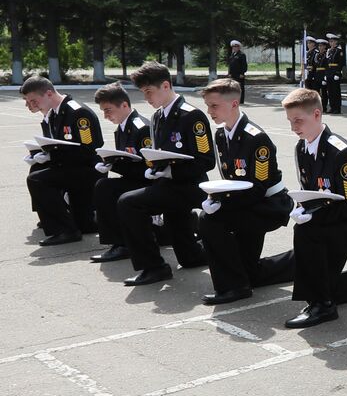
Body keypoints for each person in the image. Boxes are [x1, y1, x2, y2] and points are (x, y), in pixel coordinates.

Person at [282, 88, 347, 328]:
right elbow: (310, 190)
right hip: (331, 219)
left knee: (307, 234)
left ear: (317, 114)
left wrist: (312, 217)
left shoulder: (341, 152)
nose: (293, 127)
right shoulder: (303, 147)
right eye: (290, 121)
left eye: (298, 120)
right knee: (326, 277)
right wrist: (303, 208)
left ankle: (322, 306)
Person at [195, 79, 296, 305]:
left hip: (268, 205)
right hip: (246, 203)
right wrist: (217, 197)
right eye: (208, 105)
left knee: (209, 221)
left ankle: (233, 287)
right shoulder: (222, 135)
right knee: (250, 272)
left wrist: (222, 204)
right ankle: (301, 261)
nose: (209, 111)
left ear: (233, 103)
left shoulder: (256, 138)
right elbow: (231, 180)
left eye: (214, 105)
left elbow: (258, 189)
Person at [116, 62, 214, 285]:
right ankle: (207, 252)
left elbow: (206, 161)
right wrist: (156, 168)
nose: (146, 98)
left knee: (128, 203)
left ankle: (154, 267)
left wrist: (171, 170)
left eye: (149, 92)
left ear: (166, 86)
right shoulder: (158, 117)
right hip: (168, 185)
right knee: (189, 258)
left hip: (189, 186)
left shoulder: (192, 116)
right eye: (143, 93)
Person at [21, 76, 103, 245]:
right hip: (70, 167)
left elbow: (88, 149)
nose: (32, 105)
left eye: (34, 101)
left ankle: (66, 230)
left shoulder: (78, 113)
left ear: (49, 94)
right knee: (36, 169)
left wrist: (52, 156)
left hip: (86, 170)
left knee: (37, 179)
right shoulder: (52, 114)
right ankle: (53, 219)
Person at [89, 83, 153, 263]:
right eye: (103, 111)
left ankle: (122, 244)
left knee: (106, 189)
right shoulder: (123, 127)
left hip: (147, 181)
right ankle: (118, 241)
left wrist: (114, 164)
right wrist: (111, 163)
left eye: (108, 110)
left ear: (124, 105)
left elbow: (148, 166)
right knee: (103, 185)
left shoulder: (142, 128)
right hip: (134, 178)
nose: (106, 115)